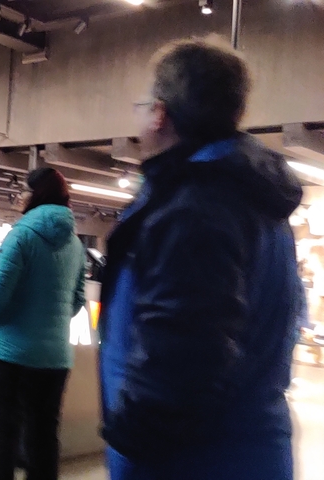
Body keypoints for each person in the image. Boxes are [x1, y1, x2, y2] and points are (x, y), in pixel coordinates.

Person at [100, 38, 303, 479]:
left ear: (160, 113)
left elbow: (181, 358)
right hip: (248, 450)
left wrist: (129, 443)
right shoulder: (255, 200)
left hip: (193, 460)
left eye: (143, 107)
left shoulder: (196, 208)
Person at [0, 167, 87, 480]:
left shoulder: (21, 235)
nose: (19, 196)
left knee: (2, 436)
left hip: (9, 354)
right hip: (55, 359)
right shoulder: (76, 245)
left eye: (23, 190)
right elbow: (77, 299)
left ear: (35, 194)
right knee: (43, 439)